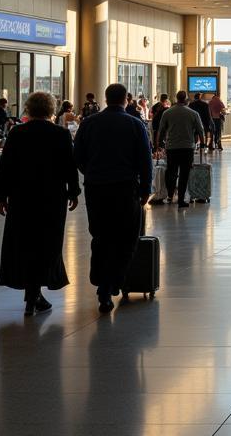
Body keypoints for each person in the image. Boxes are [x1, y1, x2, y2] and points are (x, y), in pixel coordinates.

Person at [0, 91, 80, 316]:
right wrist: (74, 191)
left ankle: (31, 295)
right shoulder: (60, 134)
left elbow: (6, 167)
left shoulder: (17, 133)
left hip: (23, 197)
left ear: (28, 109)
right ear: (51, 109)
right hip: (52, 198)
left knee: (24, 242)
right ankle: (35, 294)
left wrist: (1, 196)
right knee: (47, 243)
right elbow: (69, 166)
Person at [72, 83, 153, 313]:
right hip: (125, 188)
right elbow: (145, 160)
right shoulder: (135, 124)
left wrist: (92, 172)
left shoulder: (89, 123)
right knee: (127, 237)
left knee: (100, 236)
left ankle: (103, 285)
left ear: (105, 99)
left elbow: (77, 155)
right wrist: (146, 188)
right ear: (126, 100)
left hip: (96, 188)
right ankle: (113, 282)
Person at [157, 91, 205, 207]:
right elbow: (200, 130)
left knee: (171, 172)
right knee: (184, 173)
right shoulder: (193, 113)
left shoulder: (167, 112)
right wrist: (203, 143)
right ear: (186, 99)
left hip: (172, 147)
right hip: (187, 148)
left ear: (176, 98)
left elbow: (161, 130)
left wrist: (159, 144)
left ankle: (169, 196)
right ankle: (181, 200)